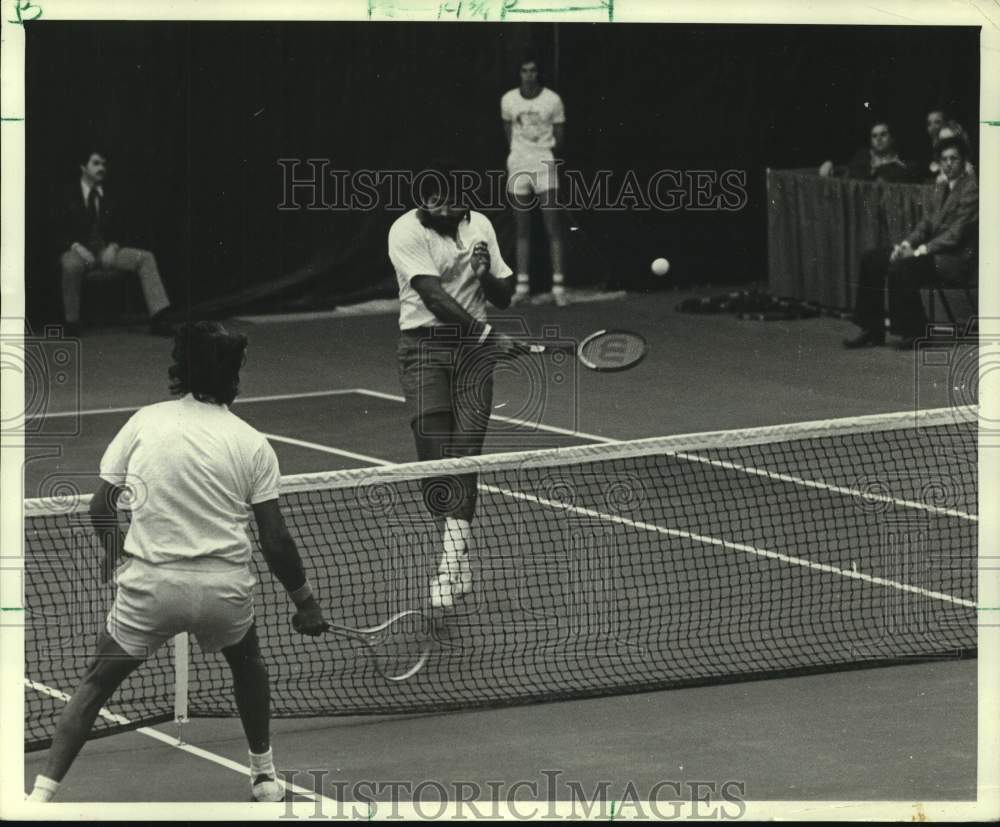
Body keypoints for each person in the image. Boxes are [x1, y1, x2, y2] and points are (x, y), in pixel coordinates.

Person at [27, 322, 328, 803]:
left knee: (93, 686)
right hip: (223, 593)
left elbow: (101, 505)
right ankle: (265, 777)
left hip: (150, 589)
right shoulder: (252, 442)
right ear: (234, 376)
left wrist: (112, 553)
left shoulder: (145, 421)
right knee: (248, 662)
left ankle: (39, 797)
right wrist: (305, 603)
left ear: (180, 369)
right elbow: (275, 540)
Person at [388, 160, 526, 609]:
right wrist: (487, 335)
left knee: (465, 457)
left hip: (471, 359)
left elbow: (505, 295)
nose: (439, 206)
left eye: (448, 199)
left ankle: (448, 568)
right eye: (431, 200)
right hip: (423, 350)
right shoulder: (406, 231)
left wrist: (486, 275)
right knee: (435, 472)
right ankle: (458, 554)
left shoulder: (481, 226)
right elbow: (433, 295)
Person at [844, 136, 978, 350]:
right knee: (872, 259)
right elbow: (925, 224)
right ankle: (871, 328)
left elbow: (956, 235)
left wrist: (919, 251)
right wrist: (905, 245)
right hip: (932, 254)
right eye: (944, 159)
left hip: (955, 261)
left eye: (954, 158)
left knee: (902, 267)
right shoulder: (941, 187)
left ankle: (915, 332)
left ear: (963, 161)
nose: (948, 163)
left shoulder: (971, 189)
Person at [58, 149, 174, 337]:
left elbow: (124, 228)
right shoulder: (68, 193)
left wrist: (113, 246)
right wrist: (77, 248)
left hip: (107, 252)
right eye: (96, 163)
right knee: (69, 264)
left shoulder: (111, 194)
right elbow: (57, 231)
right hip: (80, 253)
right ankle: (71, 323)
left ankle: (159, 318)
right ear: (83, 167)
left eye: (103, 164)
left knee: (145, 258)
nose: (101, 168)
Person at [501, 54, 568, 306]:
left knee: (553, 227)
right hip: (518, 165)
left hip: (544, 165)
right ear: (519, 73)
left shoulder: (553, 100)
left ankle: (559, 287)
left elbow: (559, 137)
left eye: (533, 70)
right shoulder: (508, 100)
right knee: (522, 228)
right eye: (524, 70)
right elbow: (508, 132)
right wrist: (522, 153)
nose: (529, 75)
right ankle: (522, 286)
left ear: (538, 73)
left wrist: (541, 152)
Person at [818, 121, 912, 182]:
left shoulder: (901, 165)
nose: (878, 139)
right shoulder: (862, 156)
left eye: (883, 134)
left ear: (892, 139)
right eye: (874, 136)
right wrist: (830, 164)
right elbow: (847, 175)